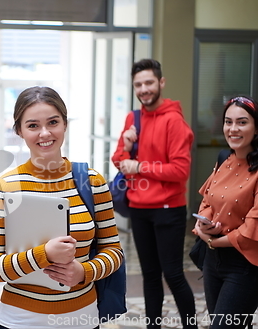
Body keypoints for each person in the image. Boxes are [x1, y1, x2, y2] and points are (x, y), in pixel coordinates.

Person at [0, 86, 124, 328]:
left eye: (53, 122)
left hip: (82, 319)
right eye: (33, 125)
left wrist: (83, 272)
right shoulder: (6, 187)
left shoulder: (92, 181)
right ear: (19, 131)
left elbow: (114, 252)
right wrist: (43, 255)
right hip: (20, 321)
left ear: (65, 124)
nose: (44, 133)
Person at [111, 59, 197, 329]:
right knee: (149, 275)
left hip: (168, 209)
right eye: (138, 84)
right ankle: (153, 326)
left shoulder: (174, 121)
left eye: (149, 82)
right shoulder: (132, 119)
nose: (144, 89)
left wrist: (140, 167)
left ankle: (191, 325)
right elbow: (118, 160)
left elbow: (180, 171)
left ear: (161, 83)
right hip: (139, 208)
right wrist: (126, 146)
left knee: (173, 274)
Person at [194, 96, 258, 329]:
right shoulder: (224, 158)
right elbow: (208, 200)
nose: (233, 129)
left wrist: (212, 240)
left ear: (256, 127)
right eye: (228, 122)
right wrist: (205, 224)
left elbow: (253, 226)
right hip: (213, 263)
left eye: (242, 122)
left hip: (245, 265)